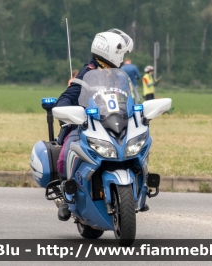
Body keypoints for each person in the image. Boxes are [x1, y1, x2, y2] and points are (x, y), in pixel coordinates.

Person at [54, 28, 135, 221]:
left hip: (114, 125)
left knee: (138, 146)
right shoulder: (87, 73)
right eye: (121, 53)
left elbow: (129, 100)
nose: (123, 58)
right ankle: (67, 196)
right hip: (87, 125)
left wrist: (138, 112)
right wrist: (68, 111)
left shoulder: (119, 77)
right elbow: (66, 98)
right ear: (112, 52)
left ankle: (140, 187)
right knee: (66, 153)